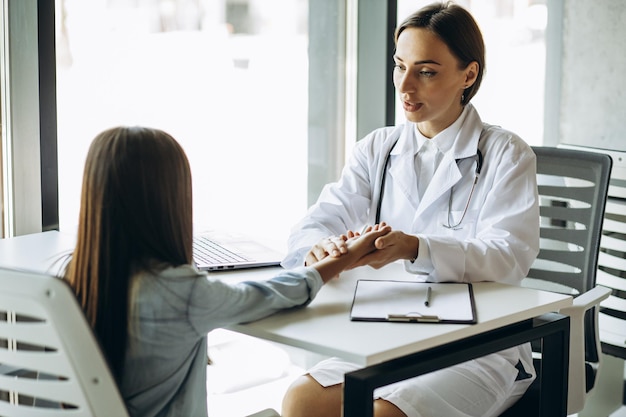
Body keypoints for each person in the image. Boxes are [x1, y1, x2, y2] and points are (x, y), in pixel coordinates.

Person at [281, 2, 540, 417]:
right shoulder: (378, 148)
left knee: (386, 413)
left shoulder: (506, 154)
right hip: (387, 331)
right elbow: (319, 218)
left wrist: (415, 248)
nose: (405, 86)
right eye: (400, 66)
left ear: (468, 75)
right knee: (302, 401)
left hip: (475, 343)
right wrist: (319, 248)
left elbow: (509, 257)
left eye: (427, 71)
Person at [62, 126, 391, 417]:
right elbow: (274, 294)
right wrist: (345, 256)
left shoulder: (72, 278)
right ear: (169, 202)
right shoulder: (181, 293)